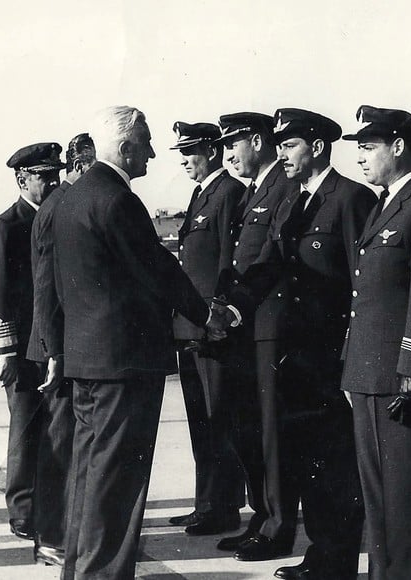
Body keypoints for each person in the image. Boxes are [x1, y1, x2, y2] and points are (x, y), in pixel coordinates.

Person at [51, 106, 228, 579]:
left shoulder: (73, 197)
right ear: (126, 147)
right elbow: (157, 269)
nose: (152, 151)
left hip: (88, 361)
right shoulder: (117, 199)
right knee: (119, 483)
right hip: (125, 365)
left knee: (89, 478)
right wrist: (207, 314)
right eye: (146, 143)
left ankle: (80, 571)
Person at [219, 107, 375, 580]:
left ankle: (337, 559)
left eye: (288, 145)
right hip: (296, 357)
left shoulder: (350, 198)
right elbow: (268, 264)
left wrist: (352, 353)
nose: (280, 153)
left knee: (336, 468)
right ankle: (323, 554)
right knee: (310, 461)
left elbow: (362, 284)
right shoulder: (295, 202)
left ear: (318, 147)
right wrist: (232, 308)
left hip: (330, 356)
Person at [340, 105, 411, 580]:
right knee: (378, 495)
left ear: (399, 147)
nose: (360, 158)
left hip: (397, 375)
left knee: (406, 497)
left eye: (368, 147)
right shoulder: (384, 204)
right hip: (367, 371)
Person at [213, 111, 300, 561]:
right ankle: (262, 516)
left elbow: (272, 259)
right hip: (245, 329)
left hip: (270, 328)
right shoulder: (254, 192)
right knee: (249, 428)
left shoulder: (283, 186)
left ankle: (279, 525)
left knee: (272, 433)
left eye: (235, 144)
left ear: (260, 142)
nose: (228, 154)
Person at [0, 143, 68, 551]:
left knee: (55, 432)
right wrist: (8, 353)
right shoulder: (6, 226)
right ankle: (22, 510)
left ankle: (49, 509)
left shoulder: (58, 218)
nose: (53, 182)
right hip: (24, 349)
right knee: (26, 430)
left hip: (54, 344)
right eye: (43, 176)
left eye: (55, 175)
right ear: (22, 179)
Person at [167, 121, 248, 536]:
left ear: (213, 151)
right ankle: (206, 502)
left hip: (211, 329)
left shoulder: (229, 193)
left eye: (191, 152)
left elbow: (226, 265)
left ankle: (224, 505)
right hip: (191, 329)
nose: (184, 161)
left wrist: (217, 317)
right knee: (201, 418)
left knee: (219, 417)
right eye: (181, 153)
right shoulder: (203, 194)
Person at [23, 133, 94, 565]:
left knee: (68, 443)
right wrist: (54, 352)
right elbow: (46, 287)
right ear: (81, 166)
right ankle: (51, 536)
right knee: (59, 445)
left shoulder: (65, 203)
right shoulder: (59, 208)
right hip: (60, 347)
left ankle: (61, 531)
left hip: (67, 345)